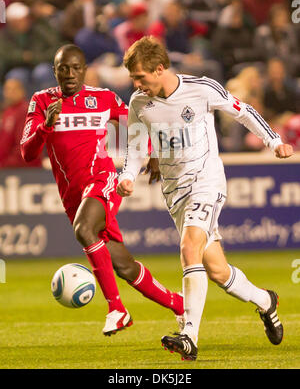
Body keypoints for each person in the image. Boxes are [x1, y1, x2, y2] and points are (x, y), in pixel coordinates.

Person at [117, 36, 294, 361]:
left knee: (188, 249)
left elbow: (242, 111)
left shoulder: (201, 88)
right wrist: (127, 176)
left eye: (140, 77)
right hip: (174, 192)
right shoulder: (139, 103)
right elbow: (136, 147)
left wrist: (273, 142)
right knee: (217, 271)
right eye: (133, 79)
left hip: (206, 180)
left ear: (159, 69)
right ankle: (266, 301)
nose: (136, 84)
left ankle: (189, 335)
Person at [20, 44, 184, 336]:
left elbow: (138, 123)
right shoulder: (42, 101)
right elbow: (27, 153)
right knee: (123, 265)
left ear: (84, 70)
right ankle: (181, 306)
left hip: (103, 179)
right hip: (72, 195)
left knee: (84, 231)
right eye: (63, 68)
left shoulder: (103, 98)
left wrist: (153, 150)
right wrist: (46, 126)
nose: (70, 74)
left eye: (75, 68)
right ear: (54, 70)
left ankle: (117, 309)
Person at [0, 78, 42, 168]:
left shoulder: (26, 111)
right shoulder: (7, 111)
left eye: (14, 89)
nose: (10, 93)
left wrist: (5, 163)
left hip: (23, 168)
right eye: (7, 89)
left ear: (22, 91)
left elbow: (24, 144)